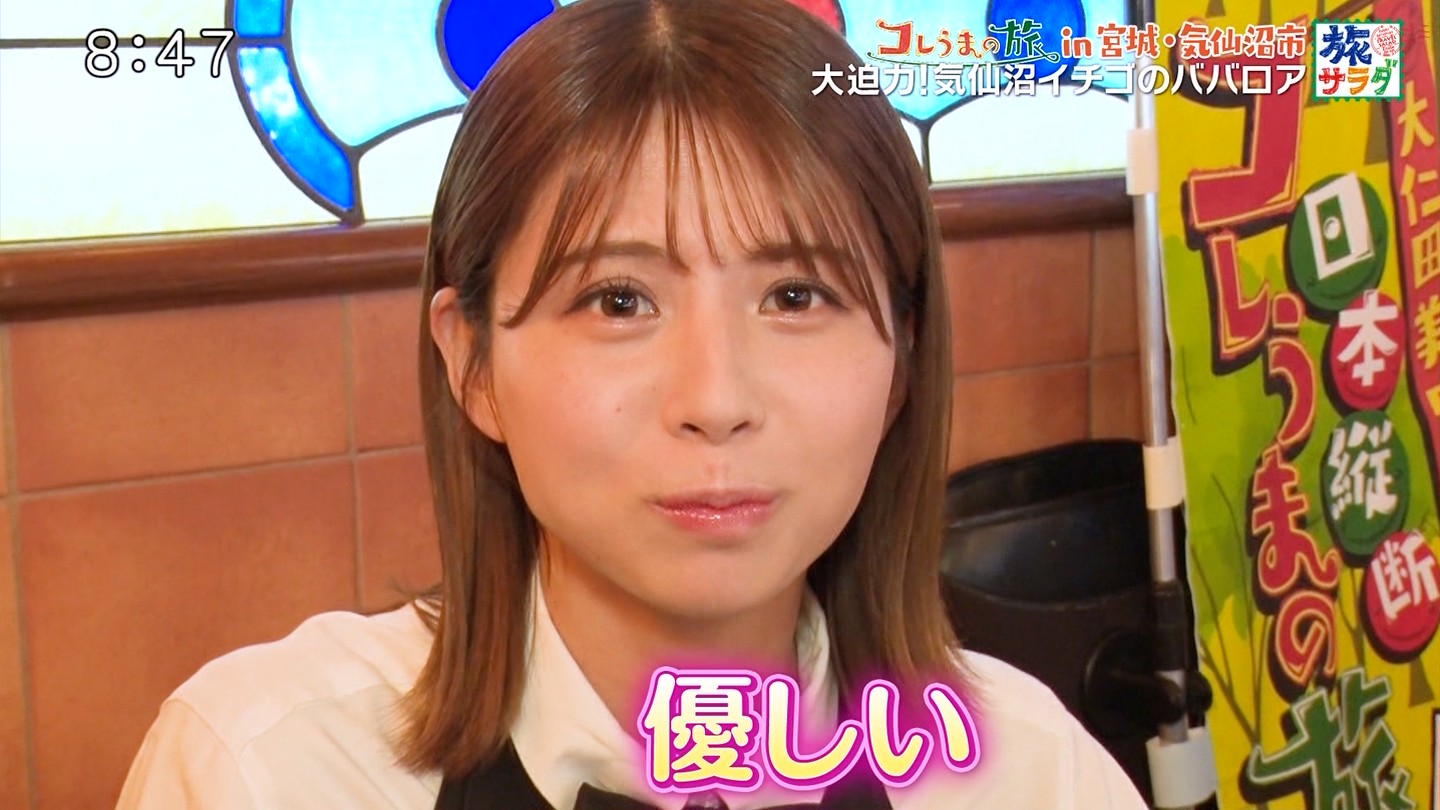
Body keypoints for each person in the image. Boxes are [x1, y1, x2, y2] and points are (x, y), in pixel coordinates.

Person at [117, 0, 1149, 807]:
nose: (716, 400)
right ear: (472, 363)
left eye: (796, 296)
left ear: (903, 363)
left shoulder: (1031, 775)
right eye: (619, 300)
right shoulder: (270, 769)